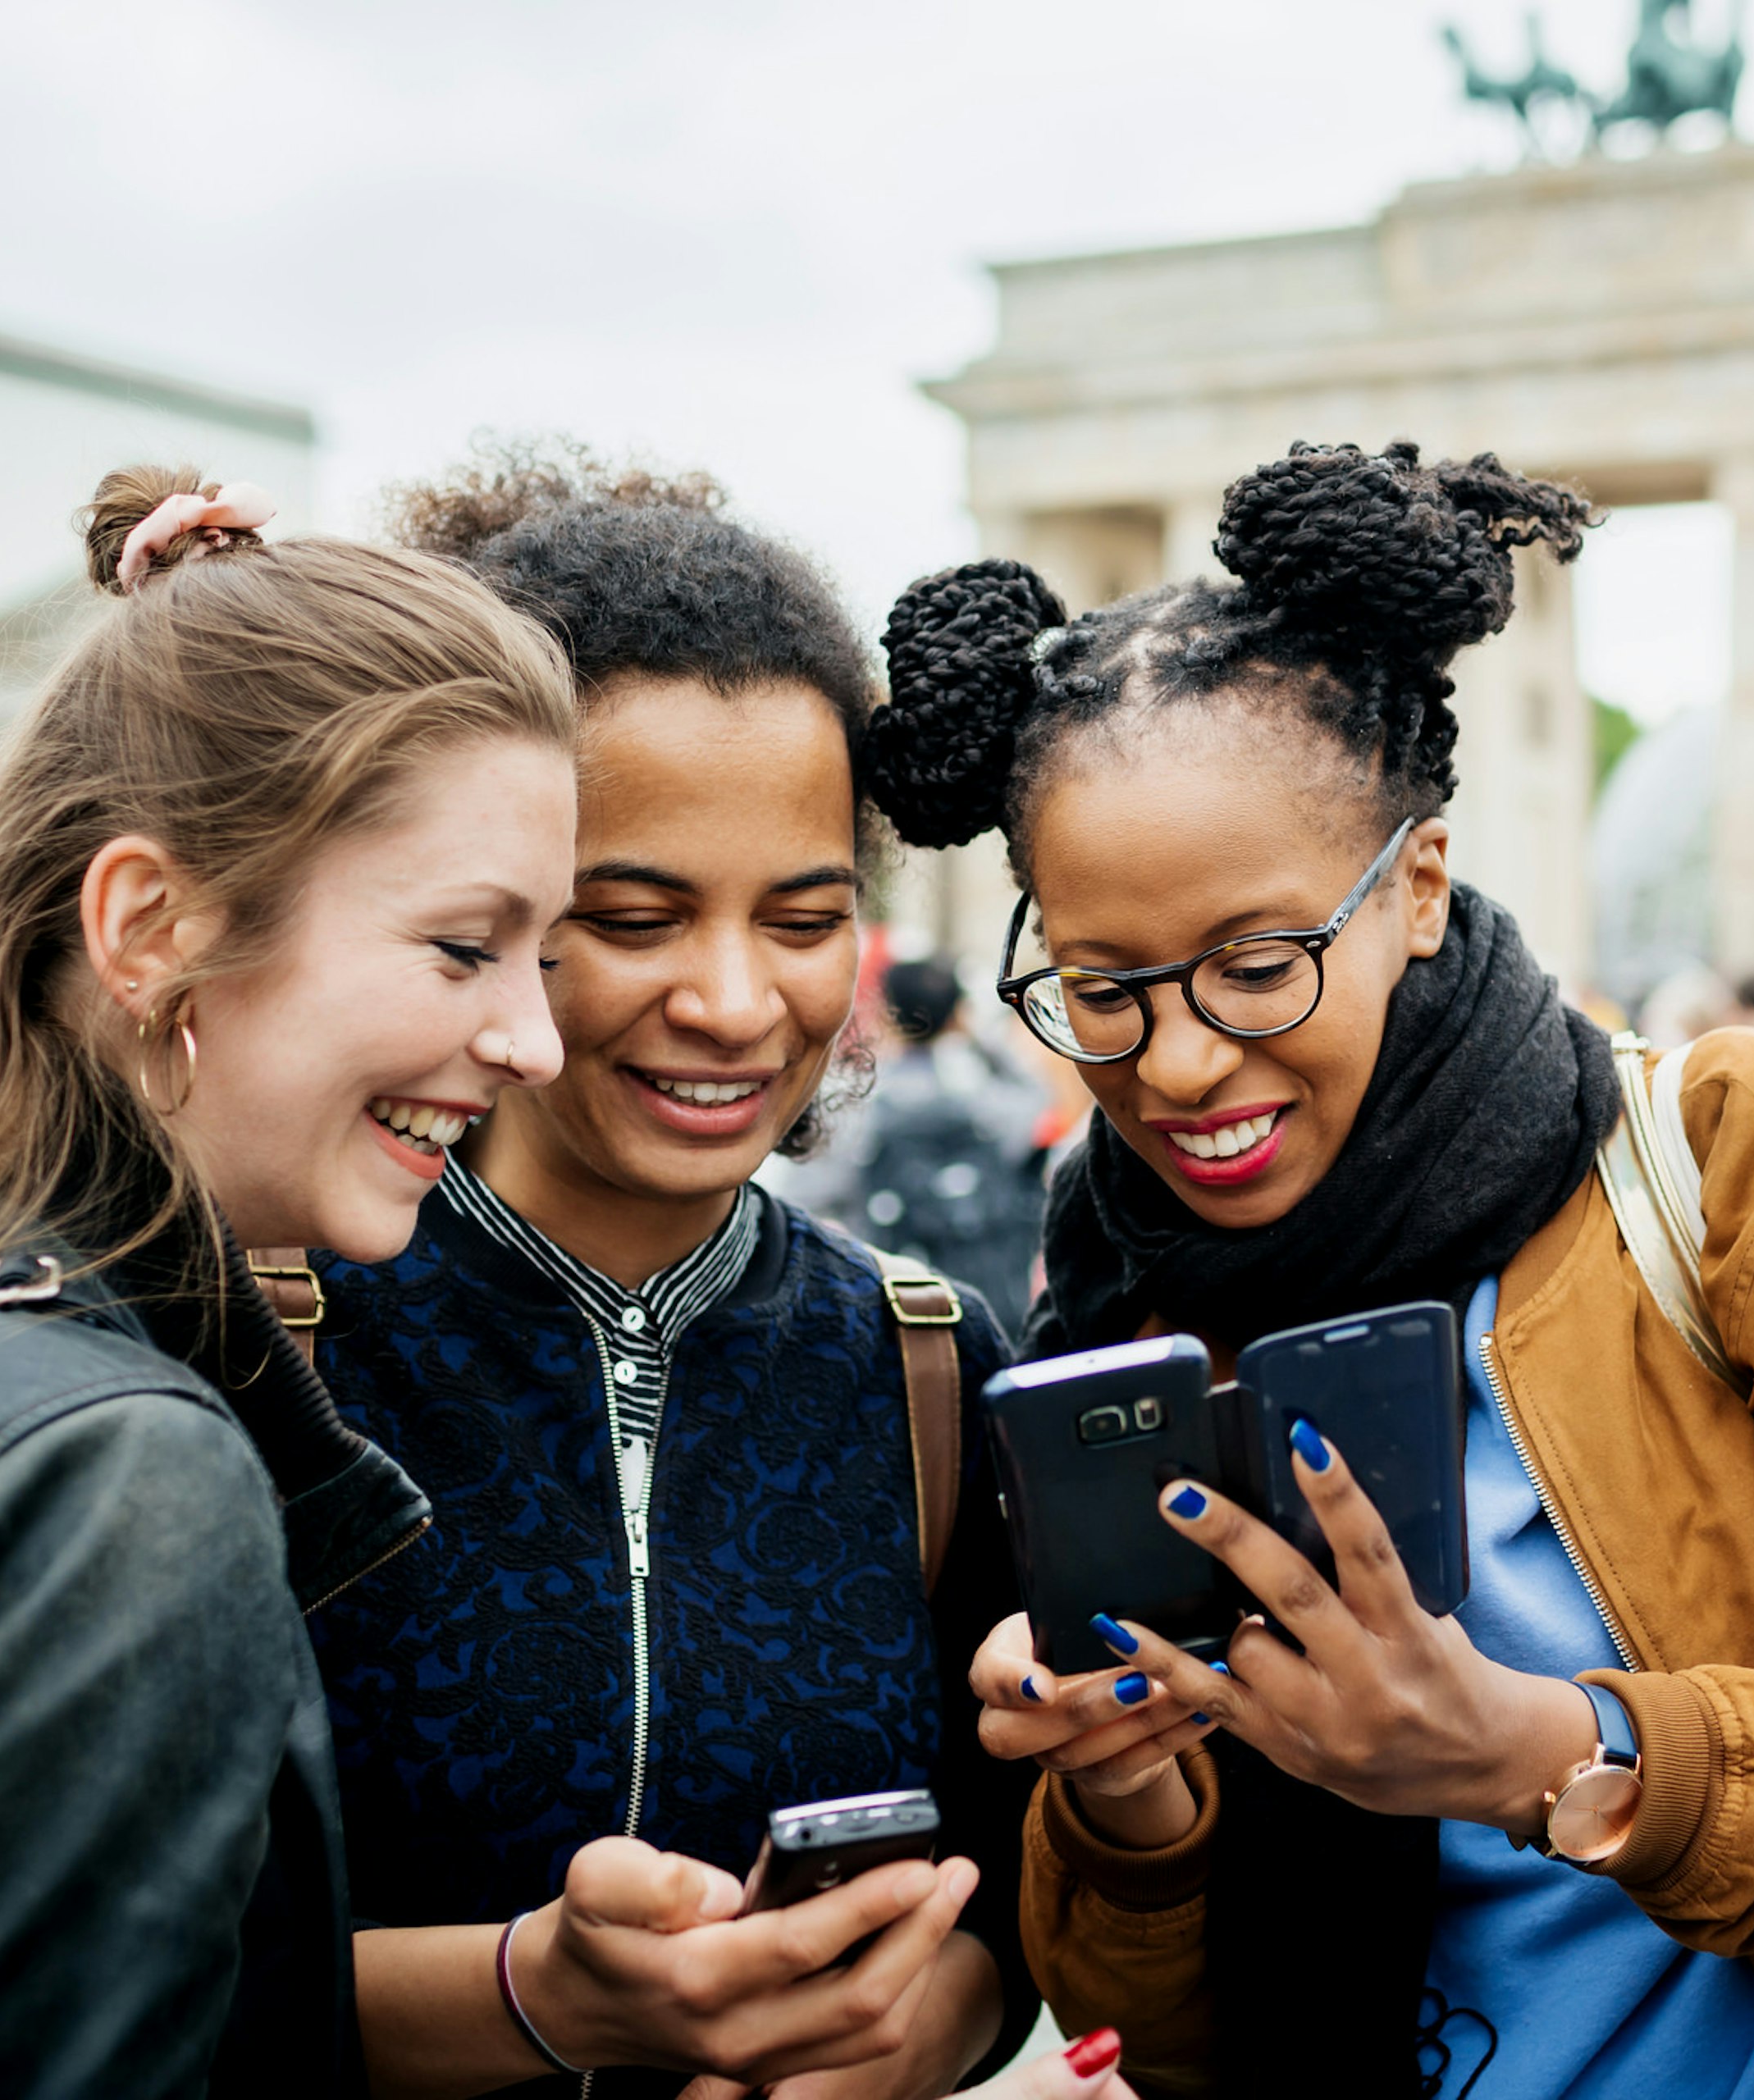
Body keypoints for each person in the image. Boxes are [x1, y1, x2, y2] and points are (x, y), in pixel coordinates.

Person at [866, 441, 1754, 2098]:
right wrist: (1131, 1795)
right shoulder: (1120, 1303)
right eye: (1100, 983)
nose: (1182, 1060)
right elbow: (1163, 2036)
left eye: (1258, 963)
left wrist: (1555, 1752)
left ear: (1416, 882)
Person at [0, 469, 578, 2095]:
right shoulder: (112, 1471)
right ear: (150, 922)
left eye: (550, 953)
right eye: (464, 947)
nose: (534, 1037)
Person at [304, 449, 1066, 2099]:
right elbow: (111, 1948)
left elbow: (1027, 1889)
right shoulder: (262, 1336)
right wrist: (533, 1993)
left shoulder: (932, 1358)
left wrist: (927, 2017)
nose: (735, 1000)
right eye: (636, 914)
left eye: (802, 919)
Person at [854, 956, 1052, 1318]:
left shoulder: (862, 1106)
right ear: (957, 1015)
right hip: (993, 1302)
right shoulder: (986, 1106)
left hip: (896, 1307)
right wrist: (975, 1034)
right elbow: (1037, 1096)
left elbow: (814, 1194)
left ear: (888, 1011)